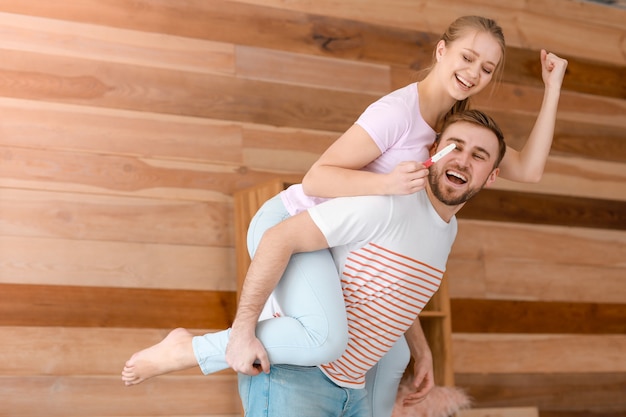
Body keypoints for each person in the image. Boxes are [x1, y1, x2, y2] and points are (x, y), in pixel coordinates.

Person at [122, 15, 568, 417]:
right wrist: (388, 184)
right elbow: (315, 179)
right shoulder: (397, 113)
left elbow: (528, 169)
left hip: (336, 242)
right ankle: (192, 348)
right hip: (290, 222)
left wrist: (552, 88)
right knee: (327, 338)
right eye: (467, 58)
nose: (473, 73)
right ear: (441, 50)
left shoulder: (455, 127)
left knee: (389, 356)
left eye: (487, 69)